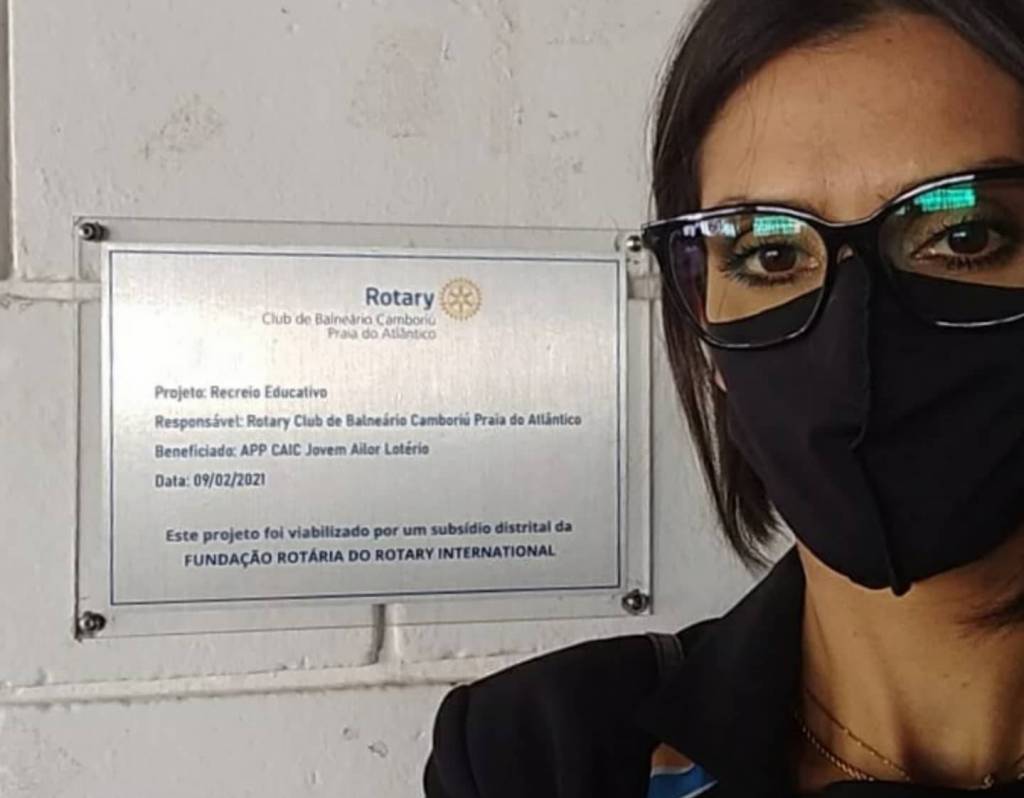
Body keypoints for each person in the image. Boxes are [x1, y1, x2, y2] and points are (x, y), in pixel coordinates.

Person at [423, 1, 1024, 795]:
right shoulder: (539, 756)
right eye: (771, 253)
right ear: (705, 332)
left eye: (963, 235)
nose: (855, 336)